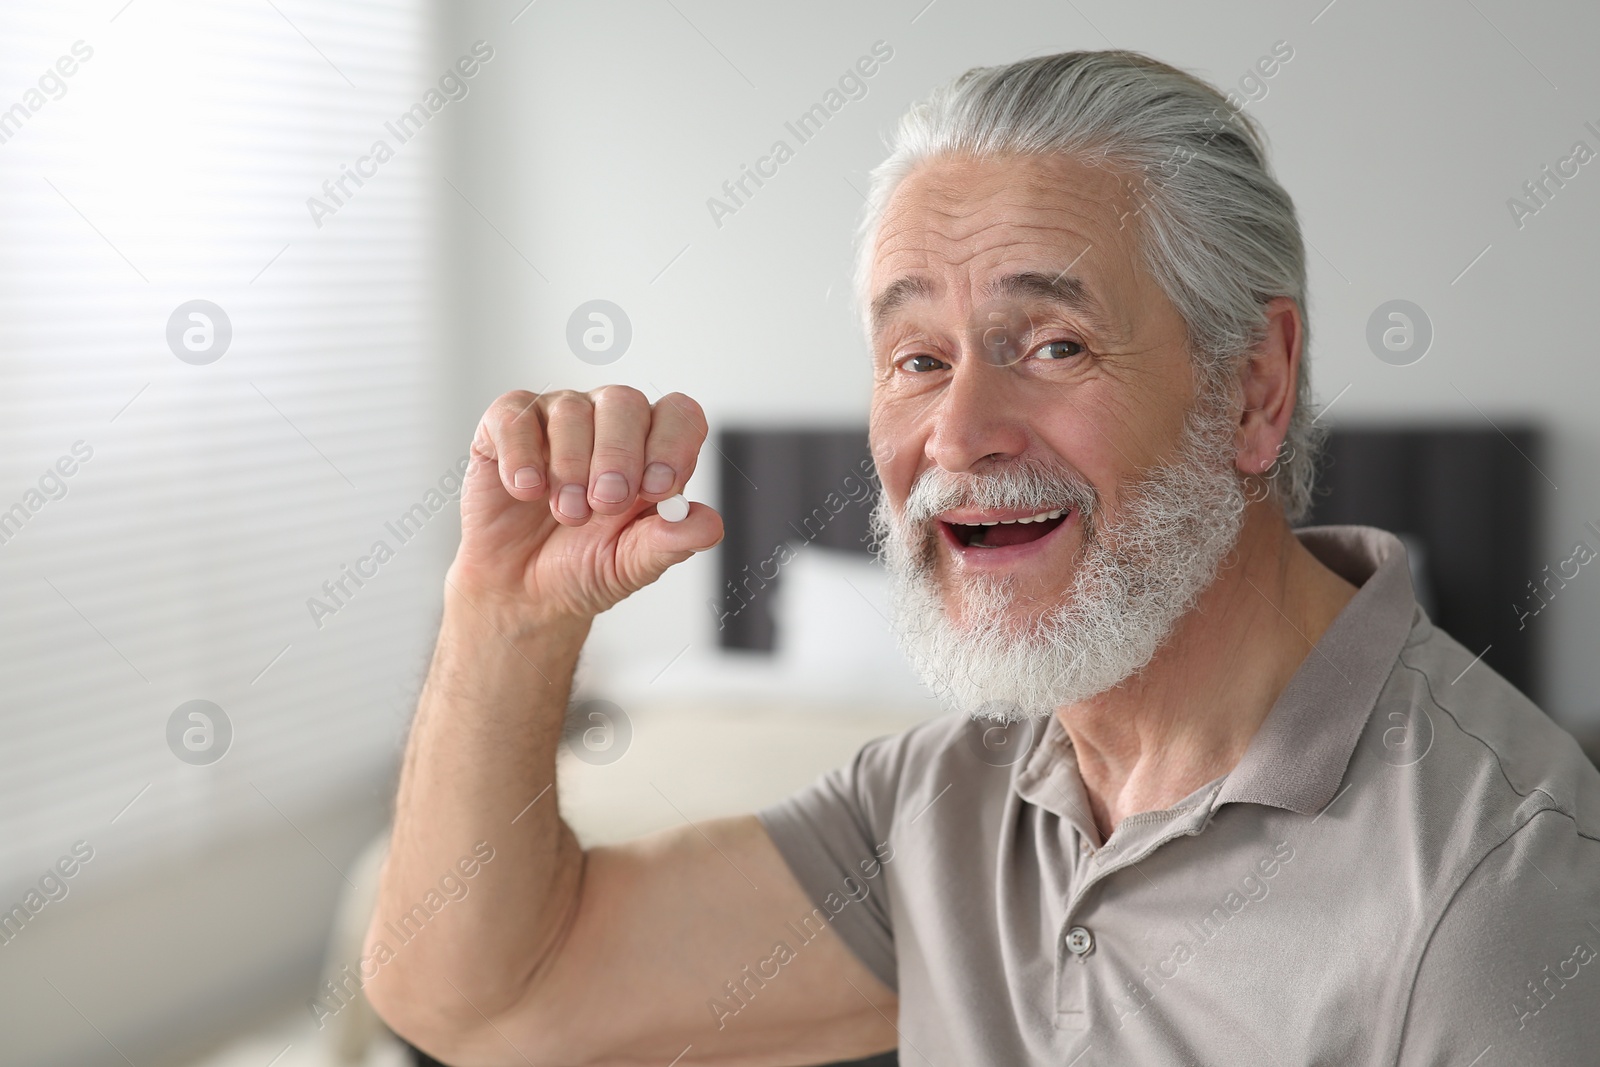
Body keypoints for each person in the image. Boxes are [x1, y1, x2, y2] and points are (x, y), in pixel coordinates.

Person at [363, 50, 1600, 1065]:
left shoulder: (1495, 888)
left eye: (1053, 344)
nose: (958, 433)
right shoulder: (947, 802)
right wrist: (506, 615)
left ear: (1251, 387)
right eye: (917, 357)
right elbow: (480, 999)